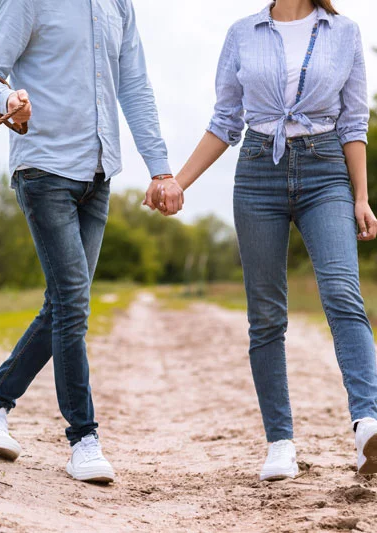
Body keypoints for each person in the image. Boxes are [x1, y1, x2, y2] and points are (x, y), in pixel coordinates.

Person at [152, 0, 377, 480]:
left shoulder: (343, 31)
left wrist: (361, 195)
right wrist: (179, 183)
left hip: (326, 171)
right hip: (257, 172)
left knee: (342, 292)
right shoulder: (242, 33)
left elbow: (354, 121)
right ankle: (280, 443)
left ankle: (368, 425)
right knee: (267, 314)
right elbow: (225, 120)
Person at [0, 0, 174, 483]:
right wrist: (7, 101)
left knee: (63, 305)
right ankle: (83, 438)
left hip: (97, 172)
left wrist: (159, 166)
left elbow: (135, 87)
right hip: (43, 168)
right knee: (73, 303)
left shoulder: (120, 6)